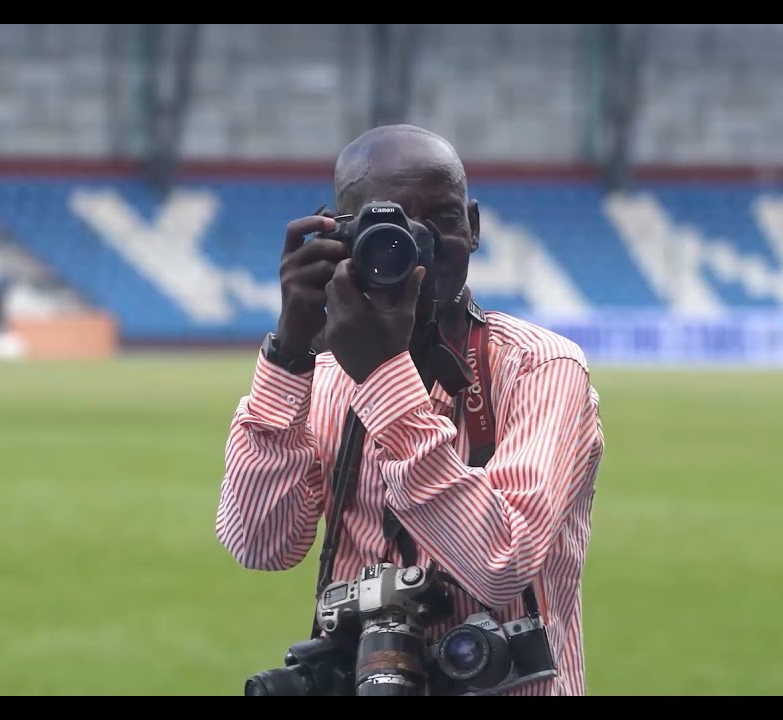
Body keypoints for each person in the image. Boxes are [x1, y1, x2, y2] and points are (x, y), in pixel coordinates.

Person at [216, 124, 604, 696]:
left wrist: (381, 379)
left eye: (441, 220)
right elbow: (260, 544)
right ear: (341, 238)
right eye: (389, 225)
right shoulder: (320, 377)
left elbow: (503, 562)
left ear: (472, 227)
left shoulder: (538, 367)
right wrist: (289, 355)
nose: (416, 243)